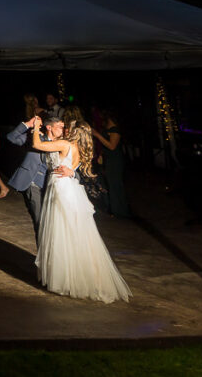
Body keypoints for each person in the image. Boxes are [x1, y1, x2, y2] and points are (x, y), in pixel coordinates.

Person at [29, 116, 132, 303]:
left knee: (62, 233)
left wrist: (36, 127)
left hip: (61, 189)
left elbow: (37, 144)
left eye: (67, 127)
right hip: (68, 188)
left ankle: (67, 278)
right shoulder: (77, 147)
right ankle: (73, 275)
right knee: (72, 233)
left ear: (73, 131)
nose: (65, 129)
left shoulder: (65, 145)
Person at [5, 114, 72, 238]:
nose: (63, 130)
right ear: (49, 127)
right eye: (59, 127)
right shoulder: (35, 137)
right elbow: (11, 137)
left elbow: (74, 167)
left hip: (53, 187)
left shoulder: (64, 145)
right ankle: (42, 256)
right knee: (40, 221)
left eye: (63, 127)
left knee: (52, 224)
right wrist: (28, 124)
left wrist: (71, 173)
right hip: (33, 182)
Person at [92, 109, 131, 218]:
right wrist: (101, 155)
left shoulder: (115, 130)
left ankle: (120, 210)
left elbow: (112, 146)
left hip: (115, 160)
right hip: (109, 159)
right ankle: (115, 209)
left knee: (115, 185)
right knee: (111, 184)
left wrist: (97, 135)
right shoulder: (108, 128)